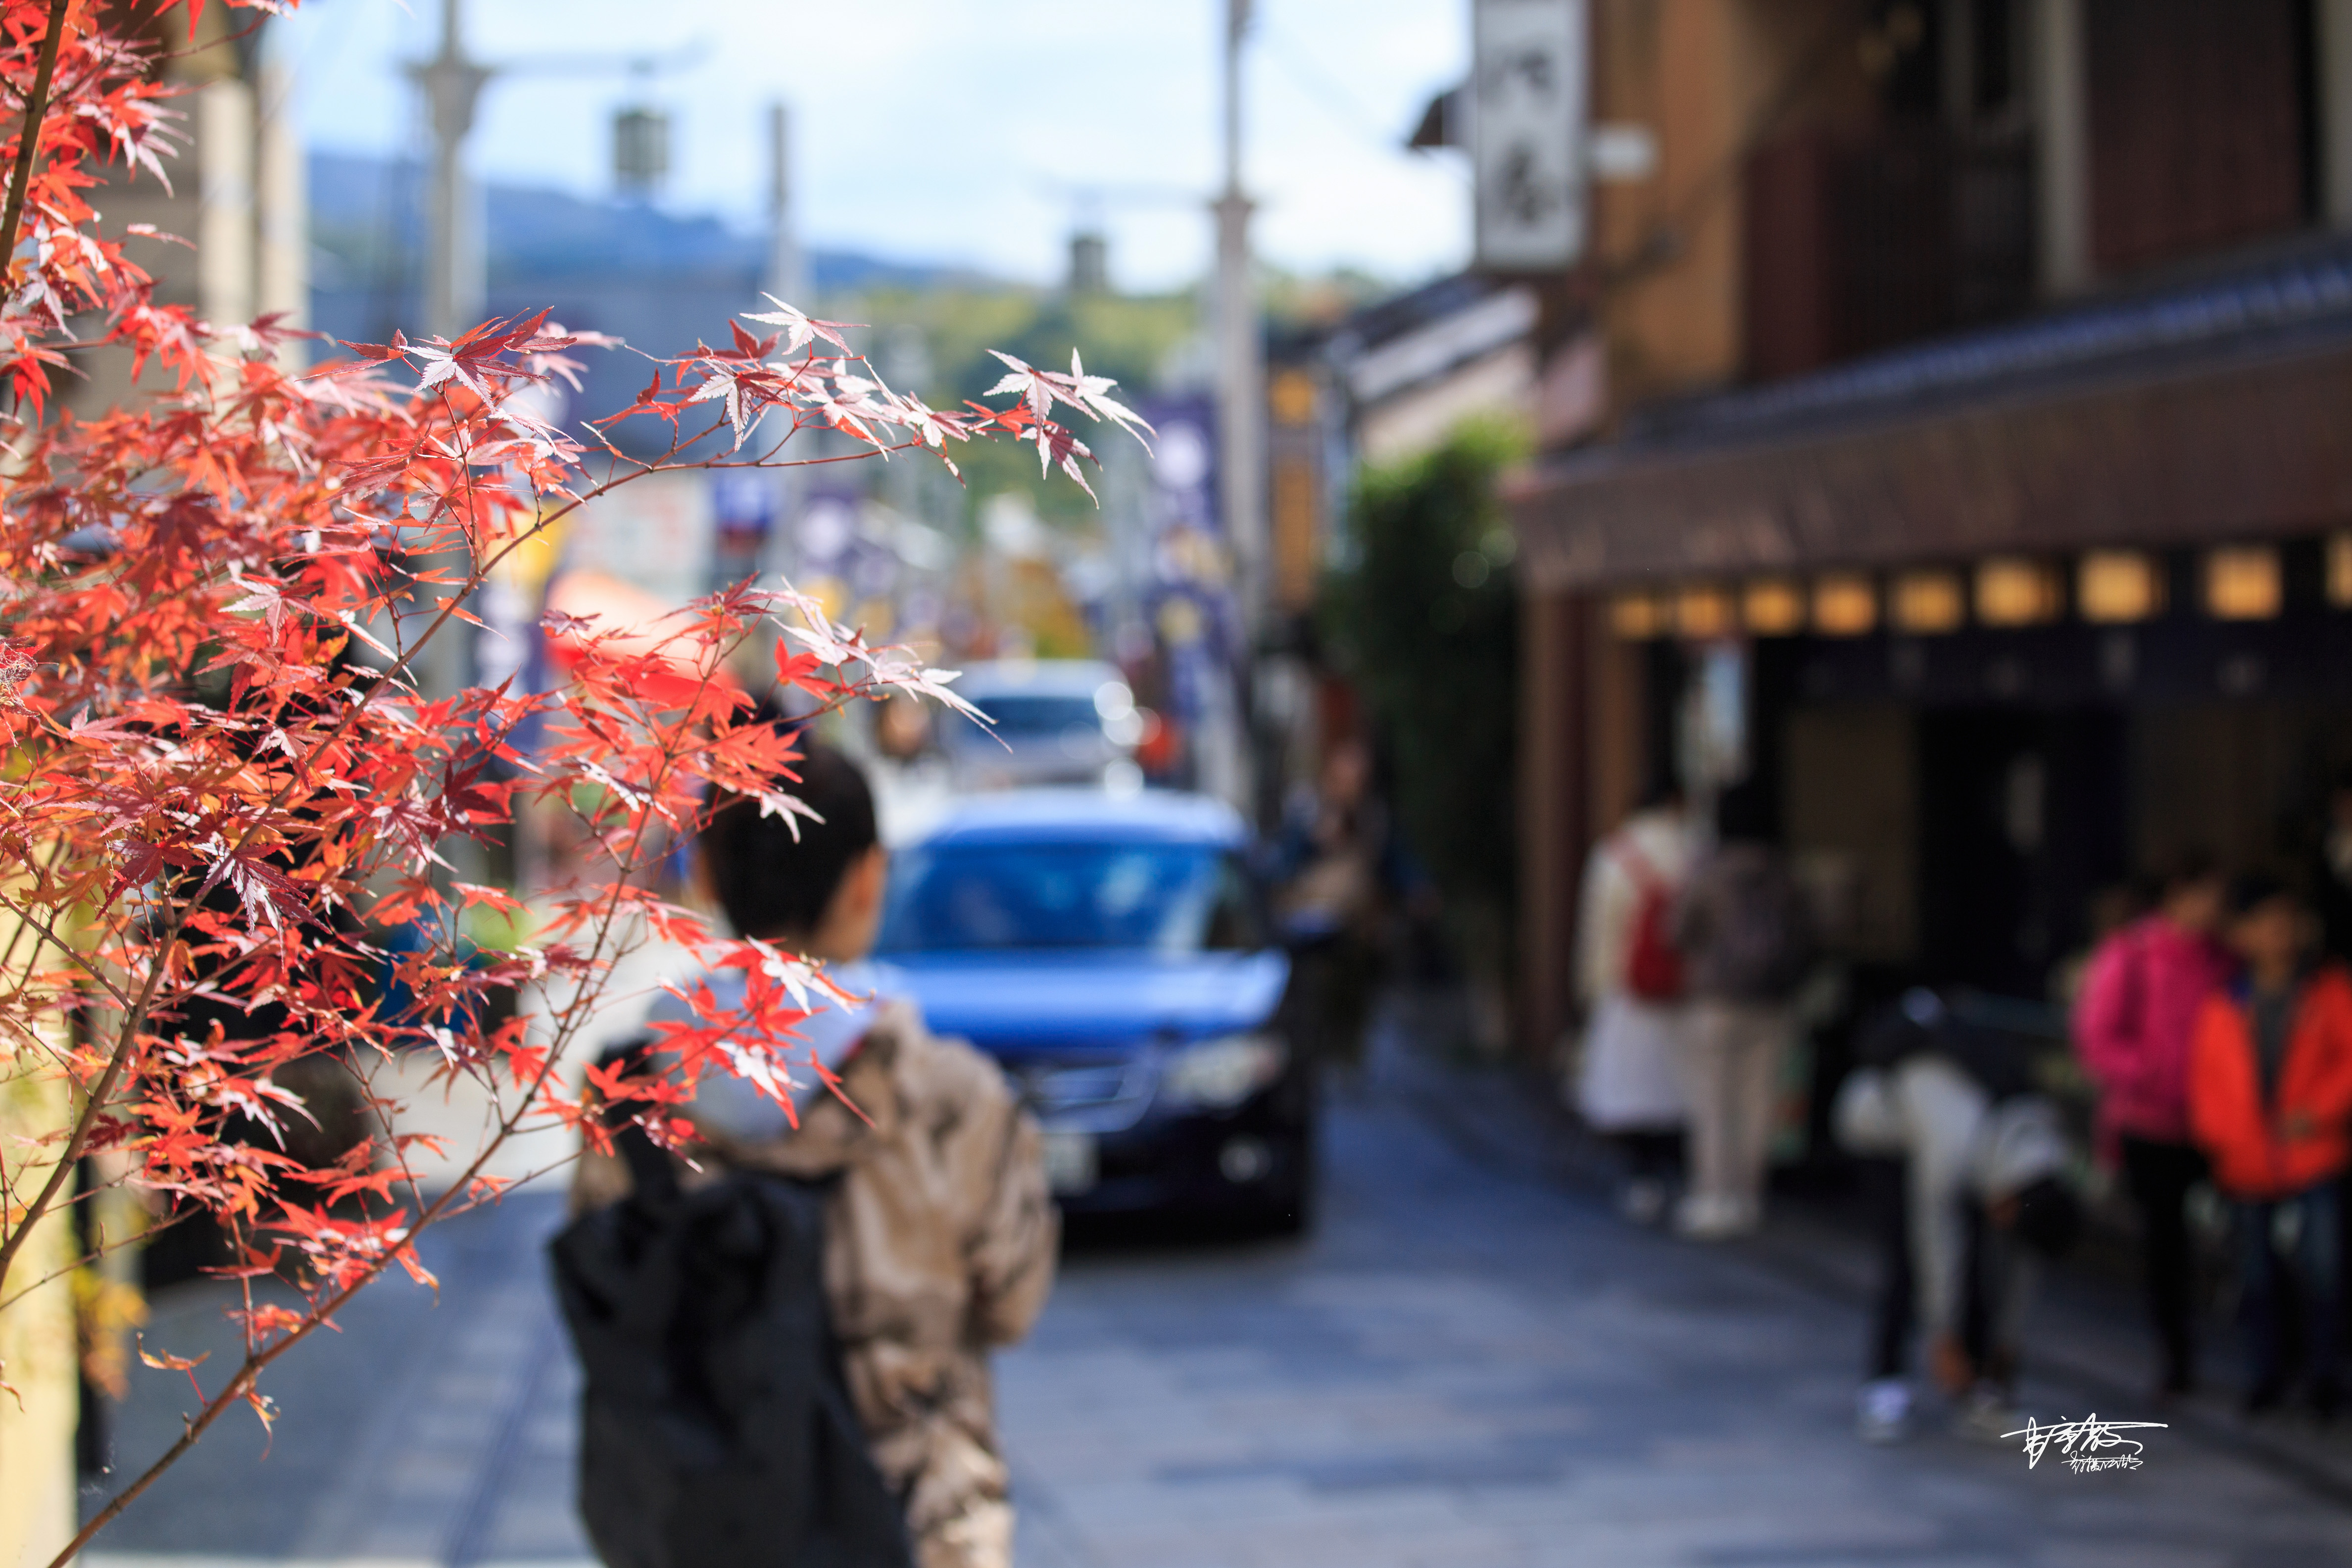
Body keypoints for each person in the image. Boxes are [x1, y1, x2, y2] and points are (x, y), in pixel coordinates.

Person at [571, 745, 1059, 1568]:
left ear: (710, 881)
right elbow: (1011, 1302)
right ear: (867, 879)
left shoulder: (629, 1094)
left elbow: (604, 1299)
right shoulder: (946, 1098)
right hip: (916, 1523)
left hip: (700, 1529)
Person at [1835, 988, 2080, 1444]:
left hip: (1955, 1147)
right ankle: (1885, 1384)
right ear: (2008, 1203)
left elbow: (2025, 1258)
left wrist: (2009, 1341)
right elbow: (1935, 1235)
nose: (2001, 1224)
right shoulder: (1957, 1141)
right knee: (1909, 1259)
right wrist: (1942, 1334)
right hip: (1883, 1136)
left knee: (1979, 1262)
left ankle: (1983, 1391)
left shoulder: (2043, 1161)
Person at [2187, 874, 2352, 1417]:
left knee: (2325, 1273)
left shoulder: (2329, 991)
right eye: (2268, 925)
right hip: (2247, 1161)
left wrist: (2318, 1114)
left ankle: (2324, 1378)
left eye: (2288, 924)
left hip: (2314, 1153)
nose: (2280, 936)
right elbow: (2208, 1083)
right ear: (2244, 934)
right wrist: (2229, 1138)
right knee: (2257, 1279)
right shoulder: (2226, 1001)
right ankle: (2268, 1377)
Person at [2070, 854, 2232, 1395]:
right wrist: (2150, 1074)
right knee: (2166, 1243)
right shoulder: (2133, 954)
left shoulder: (2225, 961)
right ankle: (2176, 1354)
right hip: (2149, 1121)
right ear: (2179, 895)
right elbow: (2096, 1037)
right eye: (2208, 895)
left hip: (2216, 1120)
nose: (2216, 908)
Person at [1669, 781, 1815, 1240]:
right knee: (1758, 1102)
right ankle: (1748, 1196)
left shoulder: (1708, 871)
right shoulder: (1782, 874)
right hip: (1770, 1000)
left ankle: (1713, 1197)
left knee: (1712, 1100)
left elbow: (1677, 928)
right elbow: (1806, 936)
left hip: (1715, 1000)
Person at [1572, 779, 1696, 1223]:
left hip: (1628, 989)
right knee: (1680, 1088)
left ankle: (1640, 1177)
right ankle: (1677, 1176)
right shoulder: (1695, 850)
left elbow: (1596, 928)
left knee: (1632, 1091)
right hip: (1685, 991)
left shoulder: (1614, 854)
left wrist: (1591, 987)